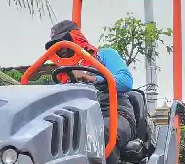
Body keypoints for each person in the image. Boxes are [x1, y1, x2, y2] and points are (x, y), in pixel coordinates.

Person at [46, 21, 139, 156]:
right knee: (51, 137)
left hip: (114, 113)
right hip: (80, 118)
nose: (60, 49)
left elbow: (126, 82)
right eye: (55, 45)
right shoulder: (63, 74)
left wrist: (91, 78)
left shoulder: (105, 55)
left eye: (62, 42)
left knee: (99, 134)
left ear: (74, 38)